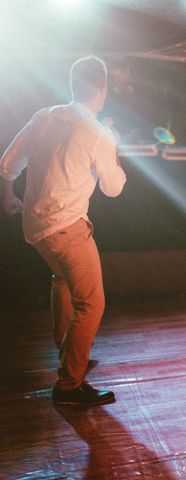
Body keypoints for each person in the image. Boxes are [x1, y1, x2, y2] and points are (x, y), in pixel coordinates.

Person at [0, 56, 126, 406]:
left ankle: (67, 347)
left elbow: (8, 165)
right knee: (92, 303)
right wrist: (113, 145)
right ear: (102, 89)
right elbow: (113, 188)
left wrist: (7, 196)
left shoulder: (45, 116)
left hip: (33, 225)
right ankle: (69, 385)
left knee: (60, 279)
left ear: (73, 85)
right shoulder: (98, 132)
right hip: (66, 228)